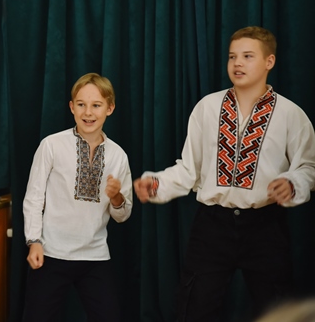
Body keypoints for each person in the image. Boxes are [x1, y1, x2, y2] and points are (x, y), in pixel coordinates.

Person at [133, 26, 315, 322]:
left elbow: (308, 167)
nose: (237, 63)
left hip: (265, 225)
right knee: (194, 306)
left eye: (247, 56)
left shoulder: (290, 114)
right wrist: (156, 184)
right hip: (213, 224)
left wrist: (292, 183)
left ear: (269, 61)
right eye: (232, 56)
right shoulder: (207, 107)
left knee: (278, 307)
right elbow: (189, 169)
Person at [22, 72, 133, 322]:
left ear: (110, 108)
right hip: (51, 252)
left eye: (96, 105)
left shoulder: (118, 156)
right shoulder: (51, 145)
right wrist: (34, 241)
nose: (88, 113)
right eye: (81, 104)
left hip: (95, 255)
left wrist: (116, 197)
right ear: (72, 107)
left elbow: (122, 215)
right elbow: (34, 197)